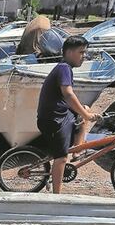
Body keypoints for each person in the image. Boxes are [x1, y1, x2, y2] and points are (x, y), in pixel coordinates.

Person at [36, 35, 100, 194]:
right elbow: (68, 94)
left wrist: (84, 112)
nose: (84, 56)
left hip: (61, 115)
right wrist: (85, 114)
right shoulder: (64, 68)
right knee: (62, 158)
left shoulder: (65, 68)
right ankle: (57, 197)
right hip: (53, 119)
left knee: (85, 108)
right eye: (81, 52)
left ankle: (78, 150)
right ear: (70, 52)